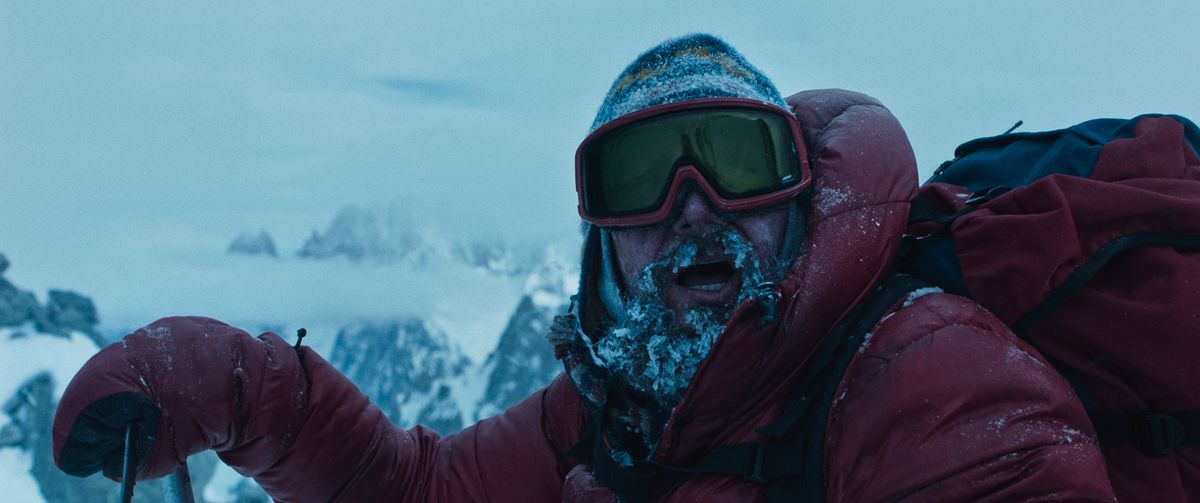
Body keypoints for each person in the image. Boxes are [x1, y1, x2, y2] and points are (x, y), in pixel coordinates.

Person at [52, 34, 1118, 501]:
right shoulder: (627, 397)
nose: (695, 204)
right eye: (643, 176)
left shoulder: (922, 373)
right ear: (604, 237)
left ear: (799, 195)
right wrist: (246, 392)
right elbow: (422, 491)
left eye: (738, 161)